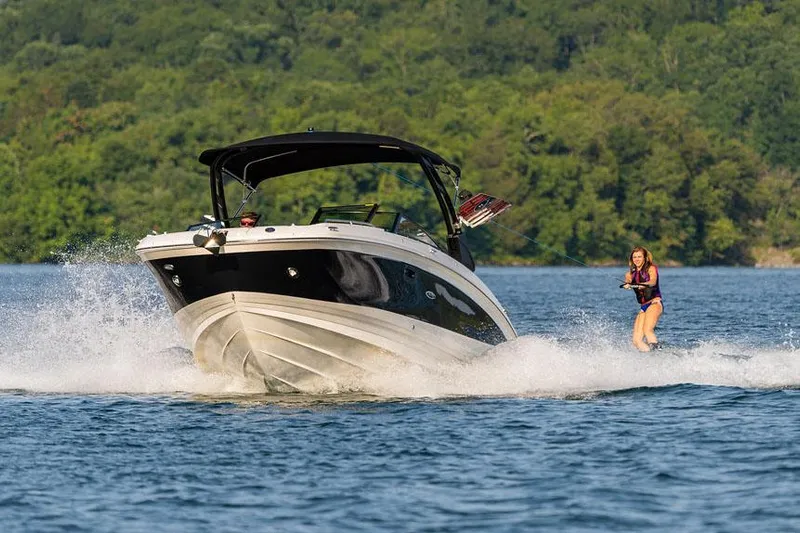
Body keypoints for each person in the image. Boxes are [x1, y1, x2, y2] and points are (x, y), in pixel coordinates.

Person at [622, 246, 663, 352]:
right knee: (636, 341)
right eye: (634, 257)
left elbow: (653, 281)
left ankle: (658, 354)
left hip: (654, 303)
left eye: (639, 257)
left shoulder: (651, 268)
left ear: (645, 258)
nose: (637, 259)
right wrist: (627, 284)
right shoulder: (630, 273)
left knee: (647, 330)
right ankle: (650, 355)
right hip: (643, 307)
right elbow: (628, 280)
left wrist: (643, 285)